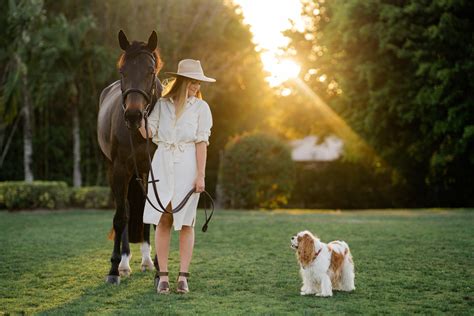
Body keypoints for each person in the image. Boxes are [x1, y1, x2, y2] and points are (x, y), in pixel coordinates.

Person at [138, 59, 215, 294]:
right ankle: (163, 277)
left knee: (186, 222)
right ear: (182, 81)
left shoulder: (201, 108)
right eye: (192, 82)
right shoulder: (162, 105)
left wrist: (201, 175)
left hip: (188, 165)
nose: (196, 87)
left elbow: (202, 142)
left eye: (198, 83)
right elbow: (148, 133)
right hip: (162, 163)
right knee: (163, 219)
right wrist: (137, 116)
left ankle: (183, 276)